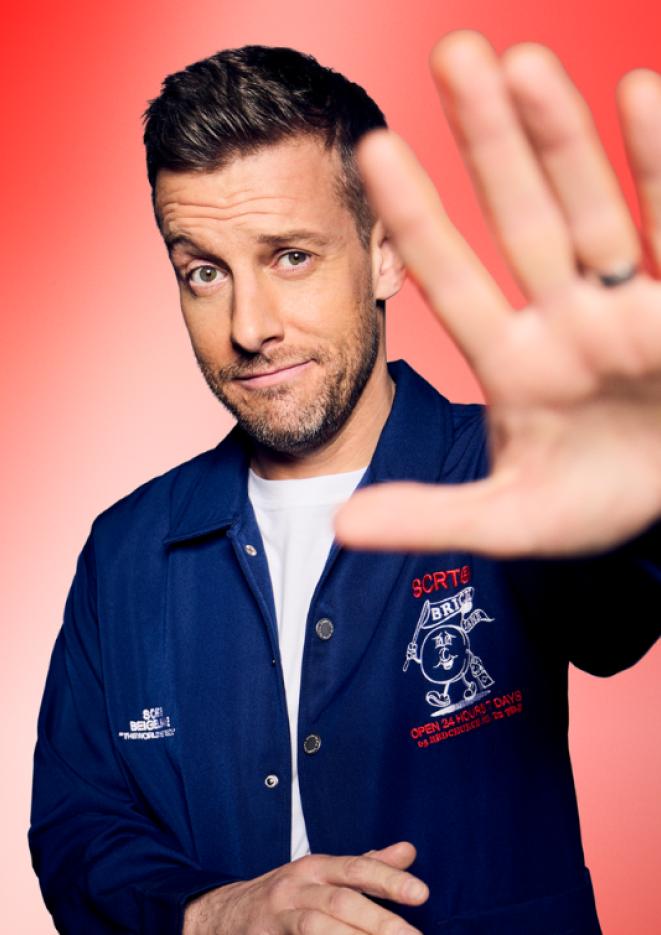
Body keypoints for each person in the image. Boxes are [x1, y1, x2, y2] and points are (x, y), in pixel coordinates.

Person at [29, 31, 660, 935]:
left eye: (291, 255)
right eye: (203, 272)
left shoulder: (518, 468)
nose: (248, 326)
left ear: (386, 255)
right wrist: (215, 912)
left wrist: (642, 488)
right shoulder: (126, 549)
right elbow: (77, 824)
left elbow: (615, 621)